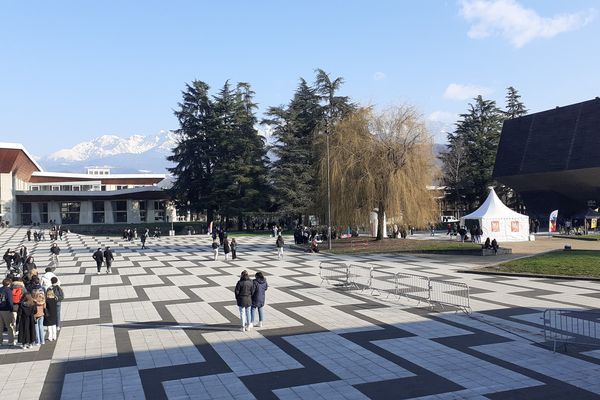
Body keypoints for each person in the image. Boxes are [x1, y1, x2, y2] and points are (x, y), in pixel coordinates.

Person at [0, 278, 16, 346]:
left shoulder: (0, 289)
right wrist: (11, 309)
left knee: (0, 327)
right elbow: (10, 301)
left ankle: (0, 341)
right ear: (9, 284)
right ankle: (11, 341)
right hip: (6, 309)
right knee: (9, 326)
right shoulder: (8, 290)